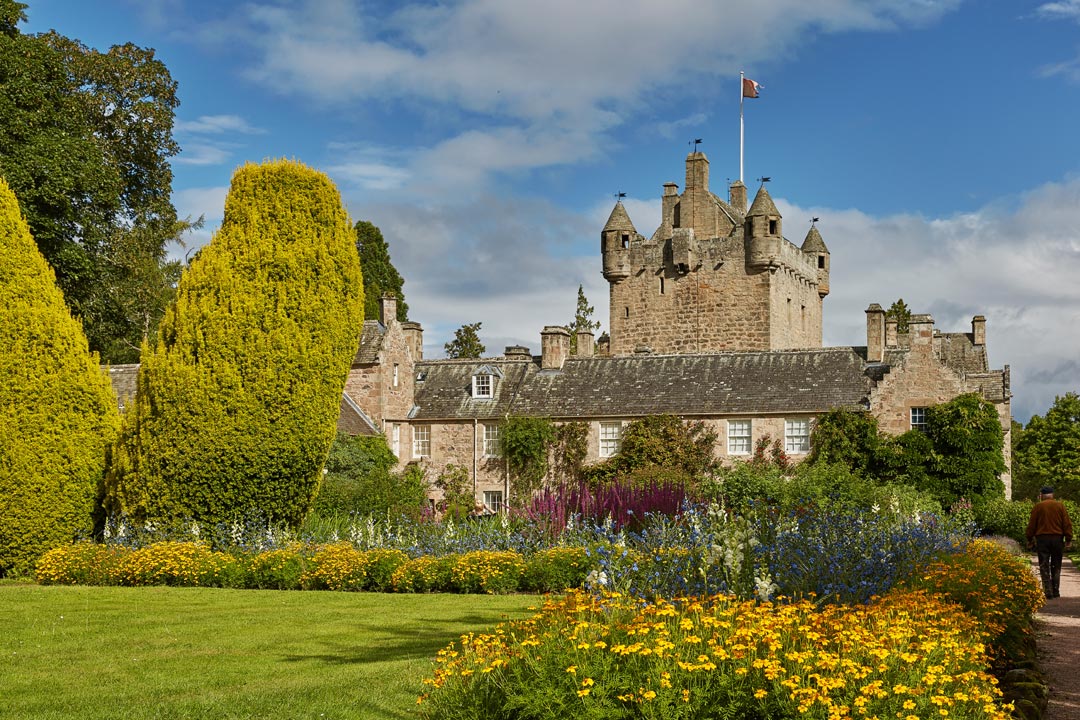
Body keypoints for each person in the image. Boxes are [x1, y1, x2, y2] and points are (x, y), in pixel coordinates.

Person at [1026, 486, 1074, 599]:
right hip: (1057, 538)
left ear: (1042, 495)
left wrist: (1029, 539)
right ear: (1052, 495)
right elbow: (1067, 524)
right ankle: (1056, 590)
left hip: (1042, 539)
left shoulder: (1038, 507)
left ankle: (1048, 591)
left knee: (1044, 565)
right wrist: (1068, 539)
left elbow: (1032, 525)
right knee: (1056, 565)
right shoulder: (1060, 506)